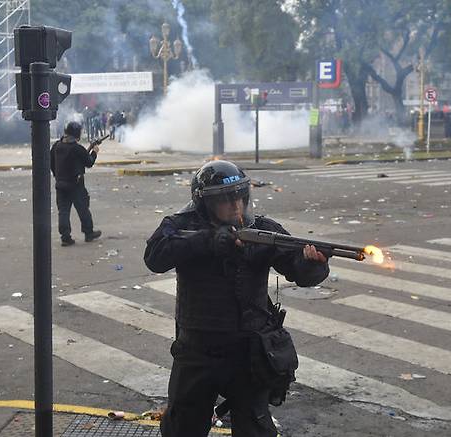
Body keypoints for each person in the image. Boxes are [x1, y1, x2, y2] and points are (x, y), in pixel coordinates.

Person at [144, 160, 329, 437]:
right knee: (182, 426)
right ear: (204, 203)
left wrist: (313, 264)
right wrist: (207, 242)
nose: (236, 207)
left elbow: (296, 268)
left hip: (247, 350)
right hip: (197, 351)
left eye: (240, 198)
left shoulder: (263, 230)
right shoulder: (181, 225)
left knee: (255, 427)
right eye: (225, 200)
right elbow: (155, 257)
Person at [50, 121, 102, 247]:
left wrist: (58, 176)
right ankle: (88, 233)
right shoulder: (77, 148)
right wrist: (94, 152)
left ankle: (65, 237)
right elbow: (89, 162)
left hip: (61, 184)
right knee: (83, 209)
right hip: (76, 185)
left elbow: (51, 163)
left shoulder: (56, 146)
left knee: (63, 211)